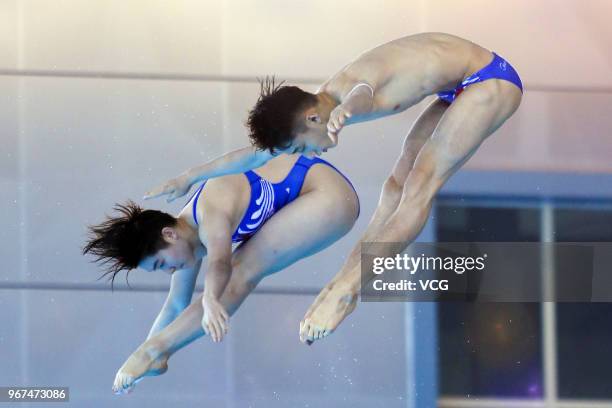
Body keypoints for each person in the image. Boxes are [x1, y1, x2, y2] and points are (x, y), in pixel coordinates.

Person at [144, 32, 523, 344]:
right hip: (455, 88)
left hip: (490, 81)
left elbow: (363, 87)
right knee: (394, 187)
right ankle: (349, 280)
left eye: (300, 146)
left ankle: (346, 289)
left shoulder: (348, 95)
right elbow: (253, 157)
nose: (304, 154)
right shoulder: (318, 107)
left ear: (313, 118)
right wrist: (190, 177)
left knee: (419, 187)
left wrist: (351, 109)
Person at [83, 154, 359, 394]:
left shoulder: (209, 212)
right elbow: (176, 305)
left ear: (169, 234)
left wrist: (211, 298)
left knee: (242, 270)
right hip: (307, 198)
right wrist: (141, 360)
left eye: (160, 264)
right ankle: (153, 353)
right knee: (237, 272)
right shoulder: (185, 243)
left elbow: (221, 264)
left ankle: (154, 353)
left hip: (326, 193)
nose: (168, 272)